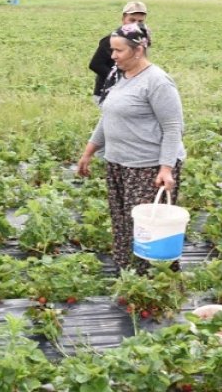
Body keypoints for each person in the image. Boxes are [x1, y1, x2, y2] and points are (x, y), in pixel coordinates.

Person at [76, 21, 185, 272]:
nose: (112, 56)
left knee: (149, 229)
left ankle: (154, 279)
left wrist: (166, 168)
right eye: (111, 51)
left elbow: (172, 127)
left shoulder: (158, 82)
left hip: (147, 167)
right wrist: (89, 151)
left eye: (118, 51)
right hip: (118, 163)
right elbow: (108, 117)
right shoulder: (120, 76)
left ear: (138, 51)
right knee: (123, 222)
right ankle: (127, 272)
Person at [89, 1, 148, 103]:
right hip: (106, 92)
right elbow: (95, 64)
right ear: (123, 19)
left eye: (140, 21)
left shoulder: (140, 40)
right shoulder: (112, 40)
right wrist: (119, 80)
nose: (136, 24)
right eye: (132, 20)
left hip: (126, 90)